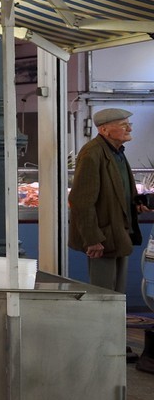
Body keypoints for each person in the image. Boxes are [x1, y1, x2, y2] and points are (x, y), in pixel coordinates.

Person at [69, 108, 144, 295]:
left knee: (117, 293)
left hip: (119, 232)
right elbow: (81, 201)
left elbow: (116, 191)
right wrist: (92, 239)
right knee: (103, 294)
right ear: (104, 130)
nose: (129, 129)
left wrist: (136, 204)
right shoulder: (92, 154)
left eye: (129, 124)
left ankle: (114, 324)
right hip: (103, 237)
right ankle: (103, 325)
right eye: (123, 125)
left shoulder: (117, 152)